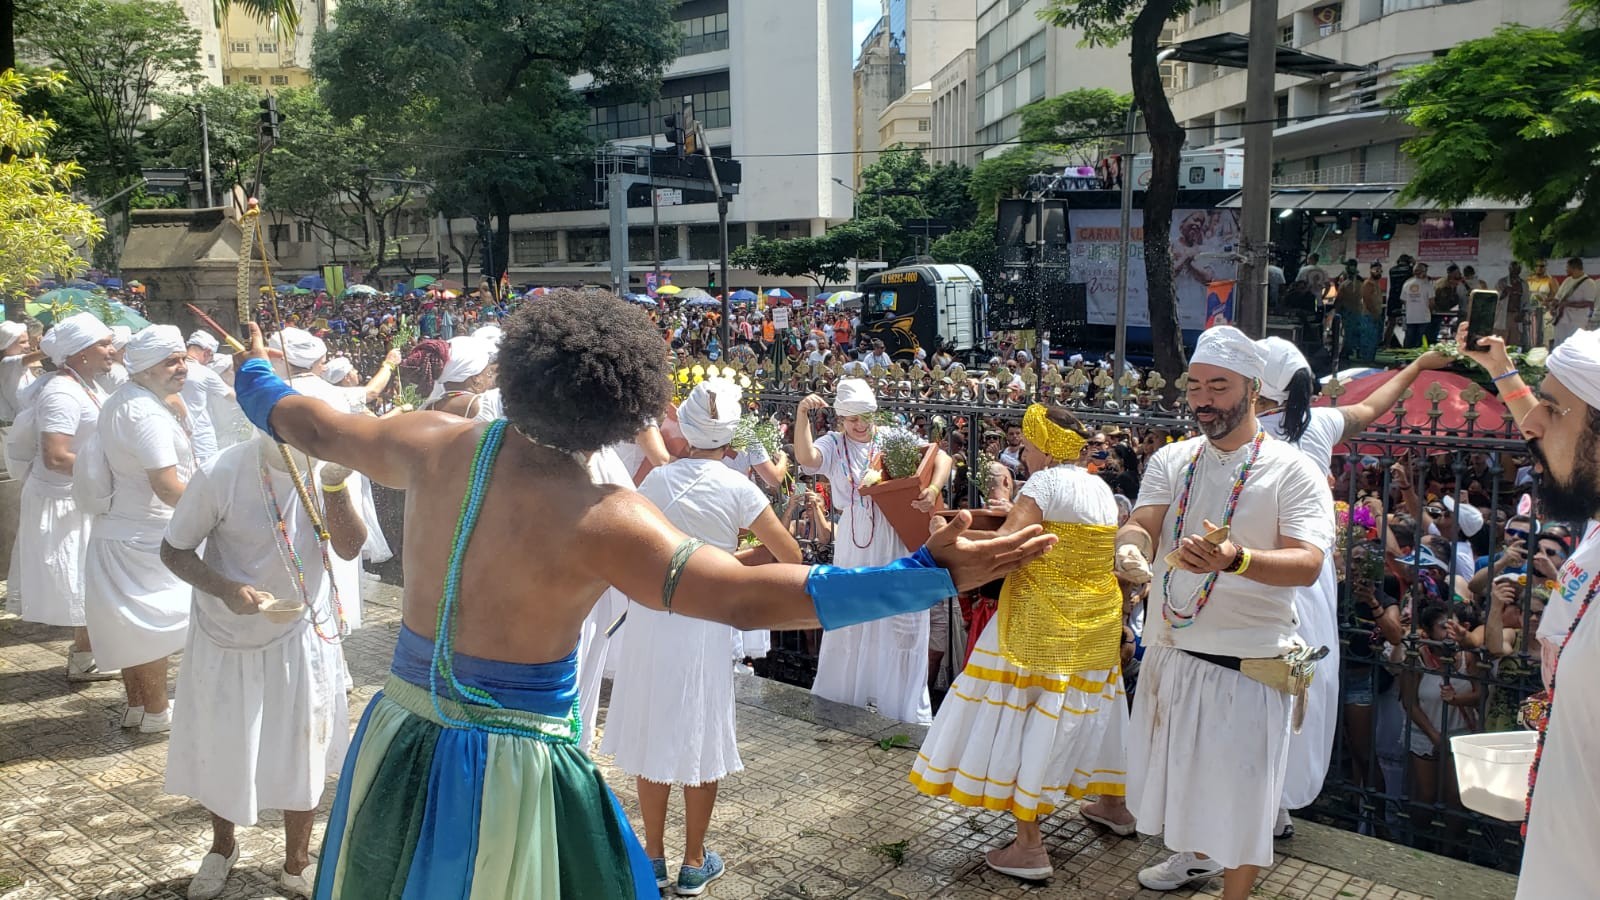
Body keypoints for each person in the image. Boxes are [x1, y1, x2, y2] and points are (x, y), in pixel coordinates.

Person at [224, 290, 1054, 898]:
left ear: (517, 372)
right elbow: (746, 598)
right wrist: (924, 576)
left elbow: (307, 422)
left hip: (400, 731)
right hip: (508, 765)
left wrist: (252, 367)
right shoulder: (604, 515)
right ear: (627, 408)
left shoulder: (431, 442)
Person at [1114, 326, 1333, 899]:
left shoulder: (1292, 469)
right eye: (1195, 386)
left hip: (1248, 662)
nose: (1203, 399)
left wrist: (1236, 561)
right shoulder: (1172, 458)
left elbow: (1308, 563)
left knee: (1243, 796)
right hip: (1173, 652)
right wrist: (1130, 546)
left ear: (1254, 390)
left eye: (1219, 386)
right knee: (1183, 788)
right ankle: (1196, 860)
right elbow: (1147, 519)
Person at [911, 404, 1133, 882]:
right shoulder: (1099, 487)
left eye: (1028, 444)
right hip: (1094, 621)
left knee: (1031, 720)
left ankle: (1030, 846)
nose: (1024, 453)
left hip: (1038, 624)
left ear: (1046, 447)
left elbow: (1003, 547)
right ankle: (1114, 805)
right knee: (1095, 707)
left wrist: (944, 538)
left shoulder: (1046, 484)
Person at [602, 379, 803, 895]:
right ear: (730, 437)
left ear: (684, 431)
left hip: (656, 613)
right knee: (700, 731)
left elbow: (633, 549)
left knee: (654, 731)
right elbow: (791, 557)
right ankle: (695, 858)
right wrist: (725, 564)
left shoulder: (656, 483)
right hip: (707, 619)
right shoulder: (739, 487)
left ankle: (653, 855)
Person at [1252, 337, 1451, 836]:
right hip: (1310, 576)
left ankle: (1257, 804)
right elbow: (1373, 406)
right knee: (1300, 685)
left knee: (1249, 684)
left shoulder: (1243, 432)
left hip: (1257, 571)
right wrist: (1418, 365)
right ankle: (1278, 804)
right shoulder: (1318, 423)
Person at [162, 420, 366, 897]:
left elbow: (350, 547)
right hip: (227, 634)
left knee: (304, 747)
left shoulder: (328, 468)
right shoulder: (223, 471)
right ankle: (222, 847)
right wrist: (226, 588)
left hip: (302, 633)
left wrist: (334, 484)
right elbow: (173, 550)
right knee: (225, 743)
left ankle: (296, 861)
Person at [793, 378, 954, 725]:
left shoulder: (891, 439)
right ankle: (847, 699)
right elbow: (806, 457)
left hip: (893, 536)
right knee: (853, 618)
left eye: (865, 416)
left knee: (897, 619)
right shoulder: (834, 444)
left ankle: (899, 706)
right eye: (852, 418)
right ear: (840, 419)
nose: (860, 425)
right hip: (854, 542)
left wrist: (933, 489)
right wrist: (802, 414)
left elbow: (943, 458)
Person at [82, 326, 195, 734]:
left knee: (135, 625)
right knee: (154, 625)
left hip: (124, 531)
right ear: (145, 367)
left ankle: (140, 707)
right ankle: (158, 710)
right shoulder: (144, 413)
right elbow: (166, 486)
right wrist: (214, 511)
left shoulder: (128, 399)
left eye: (183, 357)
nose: (182, 366)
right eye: (171, 360)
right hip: (143, 535)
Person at [11, 313, 117, 680]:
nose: (112, 350)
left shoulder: (85, 384)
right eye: (104, 344)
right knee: (82, 581)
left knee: (90, 580)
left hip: (83, 497)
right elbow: (55, 456)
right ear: (79, 352)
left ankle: (87, 654)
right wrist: (115, 474)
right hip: (66, 503)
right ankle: (87, 656)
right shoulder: (61, 391)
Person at [181, 331, 235, 466]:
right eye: (210, 358)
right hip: (201, 439)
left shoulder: (170, 370)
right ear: (207, 353)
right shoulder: (205, 373)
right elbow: (232, 397)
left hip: (177, 436)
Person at [0, 320, 41, 424]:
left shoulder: (22, 368)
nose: (27, 346)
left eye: (27, 341)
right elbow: (29, 358)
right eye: (22, 342)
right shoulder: (6, 363)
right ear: (6, 344)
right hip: (12, 425)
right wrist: (53, 349)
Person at [1550, 257, 1596, 347]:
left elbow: (1589, 303)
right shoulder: (1567, 280)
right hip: (1562, 319)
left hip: (1577, 321)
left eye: (1567, 268)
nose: (1566, 270)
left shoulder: (1589, 283)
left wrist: (1568, 304)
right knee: (1560, 344)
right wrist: (1553, 306)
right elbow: (1558, 297)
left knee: (1575, 346)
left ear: (1574, 268)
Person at [1401, 262, 1436, 348]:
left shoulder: (1407, 283)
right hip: (1424, 318)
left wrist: (1411, 307)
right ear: (1423, 272)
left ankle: (1406, 360)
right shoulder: (1428, 285)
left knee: (1409, 340)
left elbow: (1403, 299)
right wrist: (1429, 312)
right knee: (1420, 342)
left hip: (1410, 317)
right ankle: (1419, 360)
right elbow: (1431, 302)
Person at [1496, 261, 1528, 345]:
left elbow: (1526, 301)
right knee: (1501, 342)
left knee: (1514, 343)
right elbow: (1496, 298)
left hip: (1516, 316)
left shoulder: (1523, 284)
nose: (1515, 271)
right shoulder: (1502, 282)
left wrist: (1522, 314)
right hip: (1503, 316)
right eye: (1513, 269)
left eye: (1518, 269)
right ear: (1509, 269)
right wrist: (1505, 291)